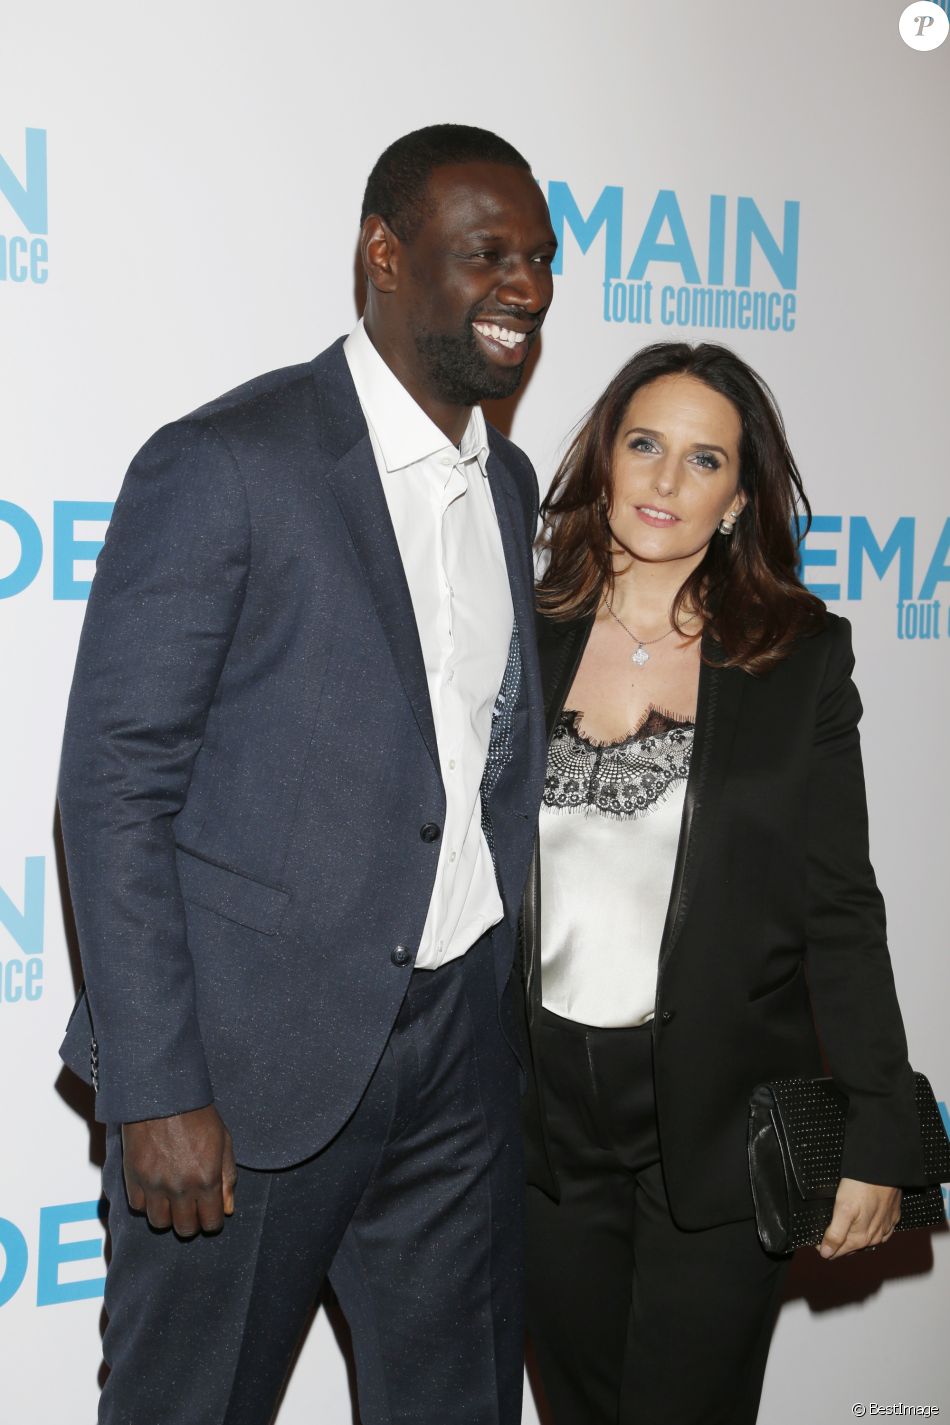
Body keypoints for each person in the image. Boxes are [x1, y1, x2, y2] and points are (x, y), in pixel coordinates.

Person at [57, 123, 557, 1425]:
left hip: (456, 1068)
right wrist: (158, 1088)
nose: (524, 286)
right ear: (382, 256)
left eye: (539, 259)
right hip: (244, 1071)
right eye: (484, 253)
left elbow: (483, 768)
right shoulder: (228, 464)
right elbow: (114, 792)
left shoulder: (504, 483)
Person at [518, 342, 926, 1425]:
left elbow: (837, 904)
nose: (663, 481)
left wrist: (883, 1122)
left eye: (703, 461)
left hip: (715, 1124)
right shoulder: (516, 633)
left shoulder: (796, 661)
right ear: (603, 458)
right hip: (536, 1122)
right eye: (643, 445)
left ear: (738, 498)